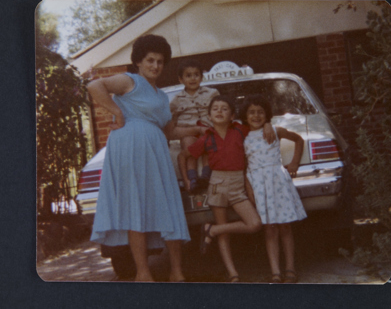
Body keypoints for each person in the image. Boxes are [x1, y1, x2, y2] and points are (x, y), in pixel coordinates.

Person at [88, 34, 201, 282]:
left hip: (155, 149)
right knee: (134, 206)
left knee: (168, 205)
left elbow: (169, 131)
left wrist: (197, 130)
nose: (156, 66)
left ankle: (176, 271)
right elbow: (95, 86)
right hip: (128, 147)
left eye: (160, 61)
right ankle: (143, 272)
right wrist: (117, 112)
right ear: (139, 61)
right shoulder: (130, 81)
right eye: (150, 60)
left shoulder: (161, 96)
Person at [177, 95, 274, 283]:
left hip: (238, 185)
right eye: (215, 109)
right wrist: (187, 180)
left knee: (254, 224)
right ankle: (232, 273)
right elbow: (183, 155)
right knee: (226, 234)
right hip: (217, 184)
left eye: (224, 108)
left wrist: (268, 124)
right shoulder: (206, 138)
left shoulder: (240, 130)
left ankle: (211, 230)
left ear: (232, 115)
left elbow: (258, 127)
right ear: (209, 115)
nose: (219, 111)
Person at [239, 95, 307, 283]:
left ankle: (290, 269)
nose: (256, 115)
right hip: (259, 185)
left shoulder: (275, 131)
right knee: (270, 229)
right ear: (245, 116)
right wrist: (249, 188)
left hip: (278, 182)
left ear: (267, 115)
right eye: (251, 112)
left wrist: (294, 163)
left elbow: (299, 139)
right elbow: (244, 166)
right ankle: (275, 272)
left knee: (285, 227)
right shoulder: (243, 137)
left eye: (260, 112)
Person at [170, 59, 220, 193]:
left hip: (207, 129)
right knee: (189, 147)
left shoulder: (212, 93)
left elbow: (220, 112)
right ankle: (192, 179)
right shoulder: (176, 100)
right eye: (188, 75)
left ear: (201, 77)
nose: (193, 78)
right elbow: (172, 122)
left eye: (196, 75)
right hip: (188, 132)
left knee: (208, 146)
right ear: (181, 79)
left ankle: (206, 176)